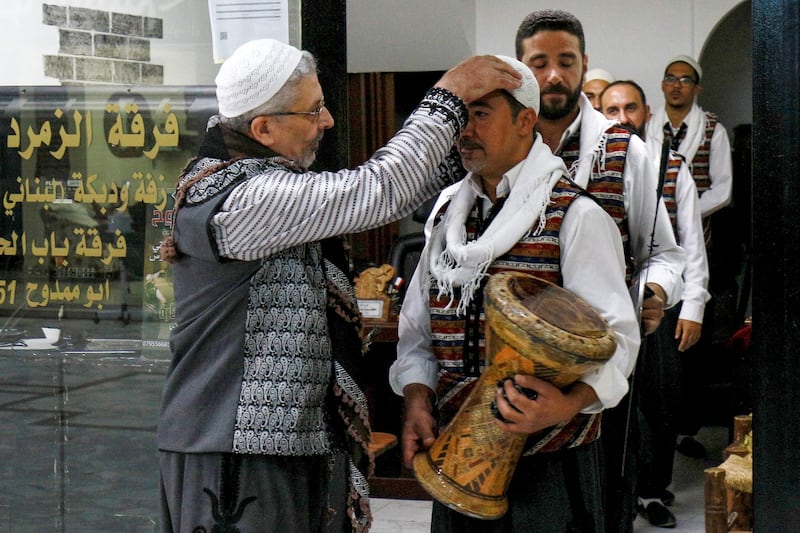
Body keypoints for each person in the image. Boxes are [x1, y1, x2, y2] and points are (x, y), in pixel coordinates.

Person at [156, 38, 523, 533]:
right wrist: (449, 95)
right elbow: (379, 191)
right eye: (314, 111)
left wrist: (482, 143)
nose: (326, 122)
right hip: (234, 450)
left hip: (282, 441)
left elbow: (398, 188)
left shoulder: (259, 181)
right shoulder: (244, 197)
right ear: (263, 128)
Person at [390, 55, 641, 532]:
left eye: (481, 114)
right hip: (458, 455)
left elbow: (620, 342)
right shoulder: (449, 212)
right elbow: (418, 327)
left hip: (548, 464)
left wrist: (566, 405)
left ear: (527, 120)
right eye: (460, 115)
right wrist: (417, 397)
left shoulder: (576, 215)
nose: (464, 129)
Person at [513, 10, 686, 533]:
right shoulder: (505, 146)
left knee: (602, 496)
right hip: (517, 358)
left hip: (601, 359)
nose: (554, 76)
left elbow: (666, 252)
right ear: (520, 70)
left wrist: (654, 289)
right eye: (538, 63)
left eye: (566, 62)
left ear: (584, 65)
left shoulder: (623, 150)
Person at [601, 80, 710, 529]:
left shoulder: (670, 164)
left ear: (646, 113)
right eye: (612, 109)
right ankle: (615, 495)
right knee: (611, 404)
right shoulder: (585, 166)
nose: (622, 117)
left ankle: (652, 490)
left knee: (659, 401)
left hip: (658, 305)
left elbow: (690, 243)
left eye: (630, 108)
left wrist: (694, 306)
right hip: (605, 308)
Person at [645, 55, 733, 459]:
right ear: (662, 86)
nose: (677, 85)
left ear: (696, 88)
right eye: (670, 79)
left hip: (699, 243)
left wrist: (682, 210)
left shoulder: (712, 129)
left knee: (688, 345)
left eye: (686, 80)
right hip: (652, 253)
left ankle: (686, 430)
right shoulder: (648, 128)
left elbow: (723, 190)